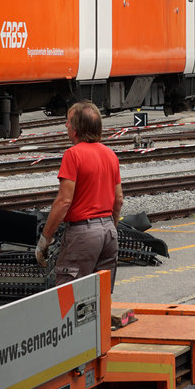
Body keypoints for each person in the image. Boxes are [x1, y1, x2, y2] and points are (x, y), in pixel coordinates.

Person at [35, 101, 124, 288]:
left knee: (69, 293)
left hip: (83, 233)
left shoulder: (73, 155)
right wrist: (110, 228)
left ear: (76, 129)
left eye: (68, 122)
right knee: (100, 294)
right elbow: (118, 200)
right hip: (108, 231)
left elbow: (64, 201)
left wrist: (45, 239)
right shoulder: (110, 155)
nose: (66, 125)